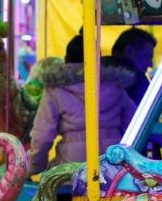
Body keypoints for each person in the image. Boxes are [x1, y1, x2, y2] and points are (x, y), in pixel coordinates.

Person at [27, 34, 138, 174]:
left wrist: (35, 167)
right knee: (112, 195)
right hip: (113, 163)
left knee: (62, 193)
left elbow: (42, 136)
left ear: (66, 60)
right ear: (99, 59)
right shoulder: (115, 86)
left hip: (71, 166)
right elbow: (134, 124)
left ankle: (63, 197)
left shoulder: (55, 90)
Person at [110, 27, 156, 105]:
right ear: (129, 52)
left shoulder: (91, 75)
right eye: (147, 56)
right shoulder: (138, 81)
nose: (150, 64)